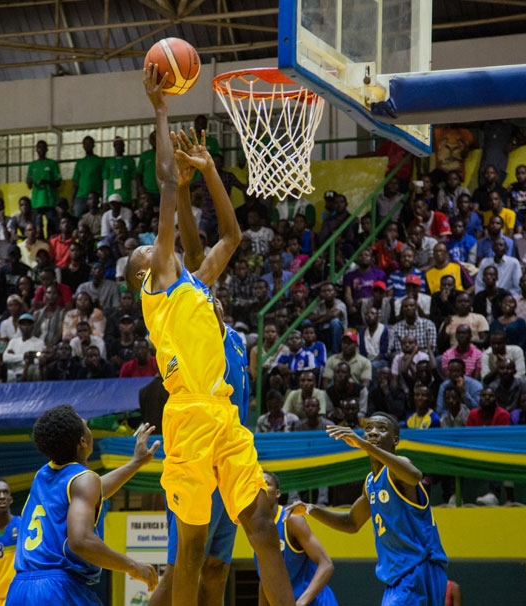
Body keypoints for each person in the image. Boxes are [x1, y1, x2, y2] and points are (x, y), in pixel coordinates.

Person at [125, 65, 294, 606]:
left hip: (223, 416)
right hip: (189, 419)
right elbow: (165, 196)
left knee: (261, 526)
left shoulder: (194, 284)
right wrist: (159, 110)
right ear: (142, 274)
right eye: (145, 252)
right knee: (190, 556)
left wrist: (209, 171)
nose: (152, 248)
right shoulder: (160, 289)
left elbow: (232, 234)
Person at [5, 405, 159, 604]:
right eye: (86, 425)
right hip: (56, 590)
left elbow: (93, 493)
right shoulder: (84, 481)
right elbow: (81, 541)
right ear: (83, 441)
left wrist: (135, 463)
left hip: (20, 589)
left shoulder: (43, 475)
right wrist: (133, 566)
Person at [290, 414, 448, 604]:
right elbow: (351, 522)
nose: (373, 432)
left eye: (381, 429)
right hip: (398, 577)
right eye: (369, 428)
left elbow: (415, 476)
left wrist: (365, 445)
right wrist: (311, 509)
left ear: (395, 440)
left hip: (419, 568)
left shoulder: (398, 468)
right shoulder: (371, 482)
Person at [257, 471, 337, 606]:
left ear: (277, 493)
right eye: (257, 484)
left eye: (266, 483)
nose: (261, 487)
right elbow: (265, 578)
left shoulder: (291, 520)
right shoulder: (257, 528)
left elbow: (326, 564)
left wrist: (301, 603)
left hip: (315, 601)